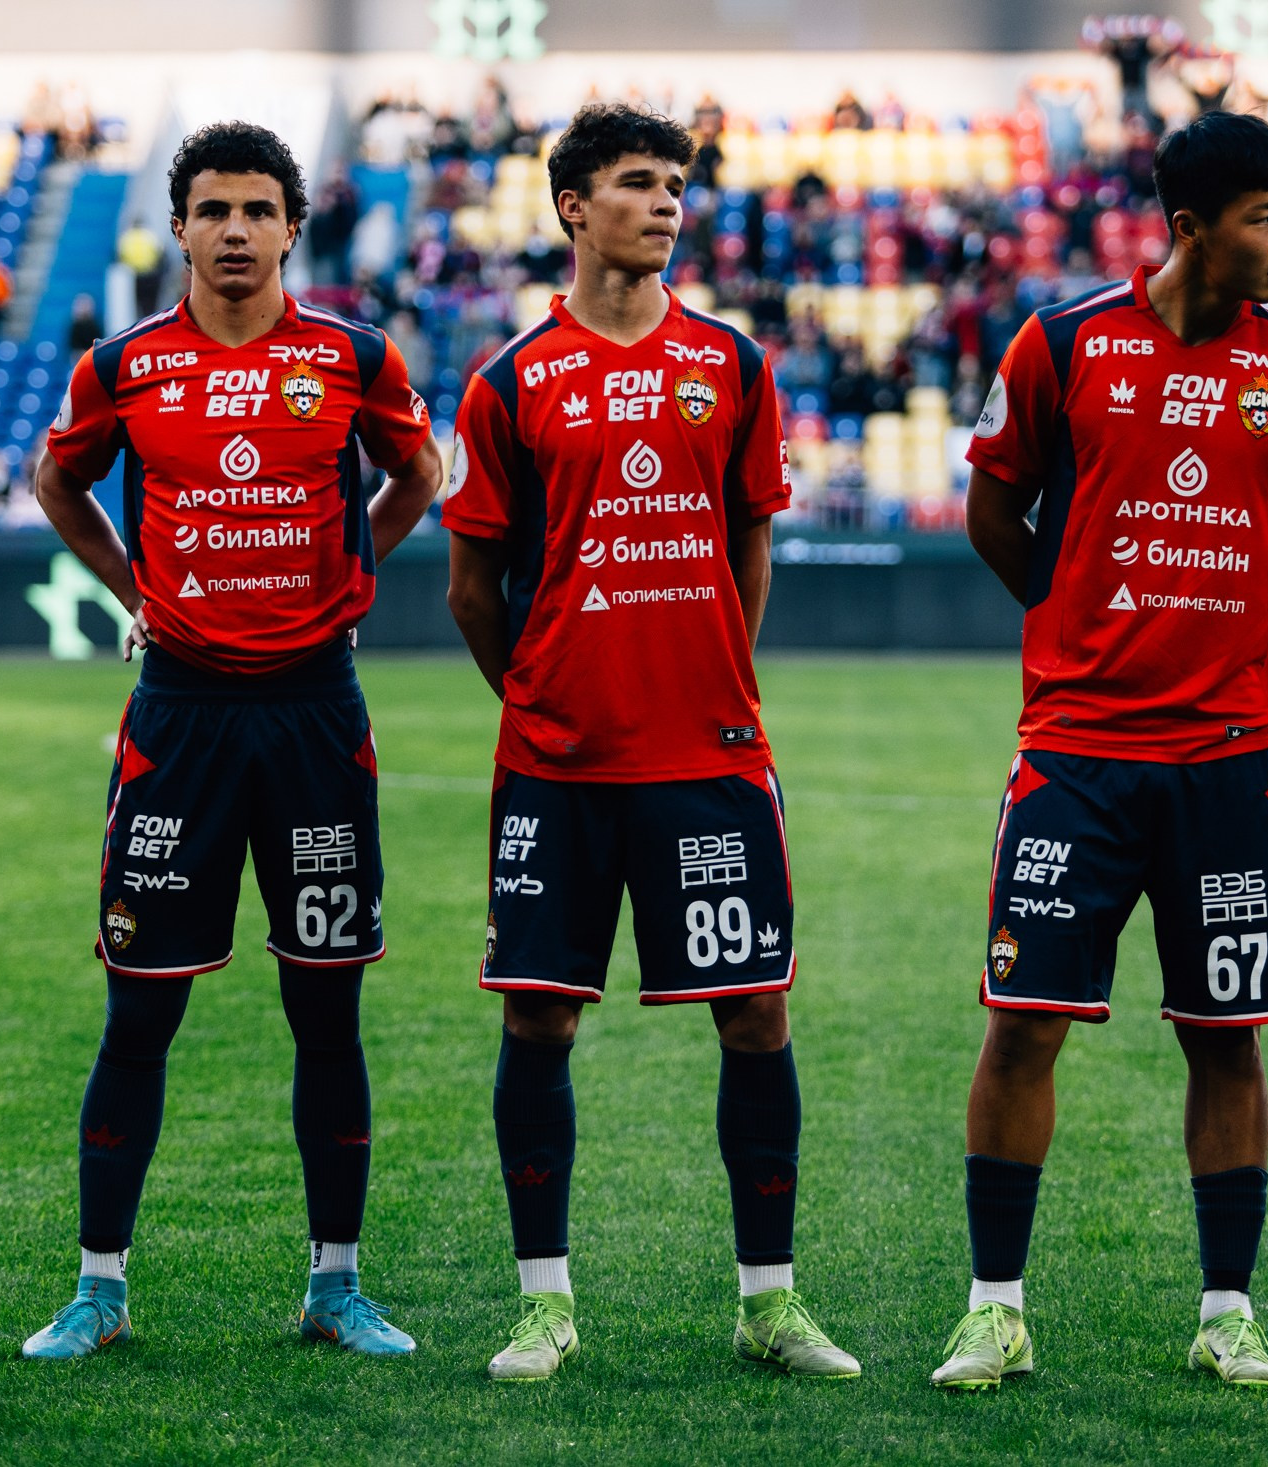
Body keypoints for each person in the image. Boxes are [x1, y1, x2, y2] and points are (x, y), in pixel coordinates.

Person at [931, 111, 1268, 1391]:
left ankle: (1227, 1312)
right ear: (1189, 228)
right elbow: (992, 506)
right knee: (1023, 1026)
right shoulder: (1064, 342)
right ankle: (993, 1311)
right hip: (1075, 754)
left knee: (1228, 1034)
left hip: (1225, 761)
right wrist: (1068, 617)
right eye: (1264, 216)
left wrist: (1242, 632)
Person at [444, 101, 860, 1383]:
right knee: (538, 1026)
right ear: (573, 207)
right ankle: (543, 1305)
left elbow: (750, 541)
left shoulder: (731, 363)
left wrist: (713, 675)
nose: (667, 202)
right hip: (559, 764)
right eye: (638, 182)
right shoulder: (509, 379)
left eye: (676, 183)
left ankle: (769, 1302)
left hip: (707, 753)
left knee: (755, 1016)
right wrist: (543, 695)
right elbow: (472, 587)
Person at [20, 121, 442, 1362]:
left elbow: (419, 473)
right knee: (139, 1013)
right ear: (179, 227)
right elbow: (58, 484)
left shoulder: (353, 356)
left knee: (327, 1010)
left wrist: (349, 574)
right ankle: (98, 1290)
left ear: (293, 228)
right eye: (214, 210)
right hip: (180, 720)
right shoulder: (124, 366)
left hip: (315, 716)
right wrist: (135, 589)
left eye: (259, 209)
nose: (236, 231)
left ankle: (336, 1286)